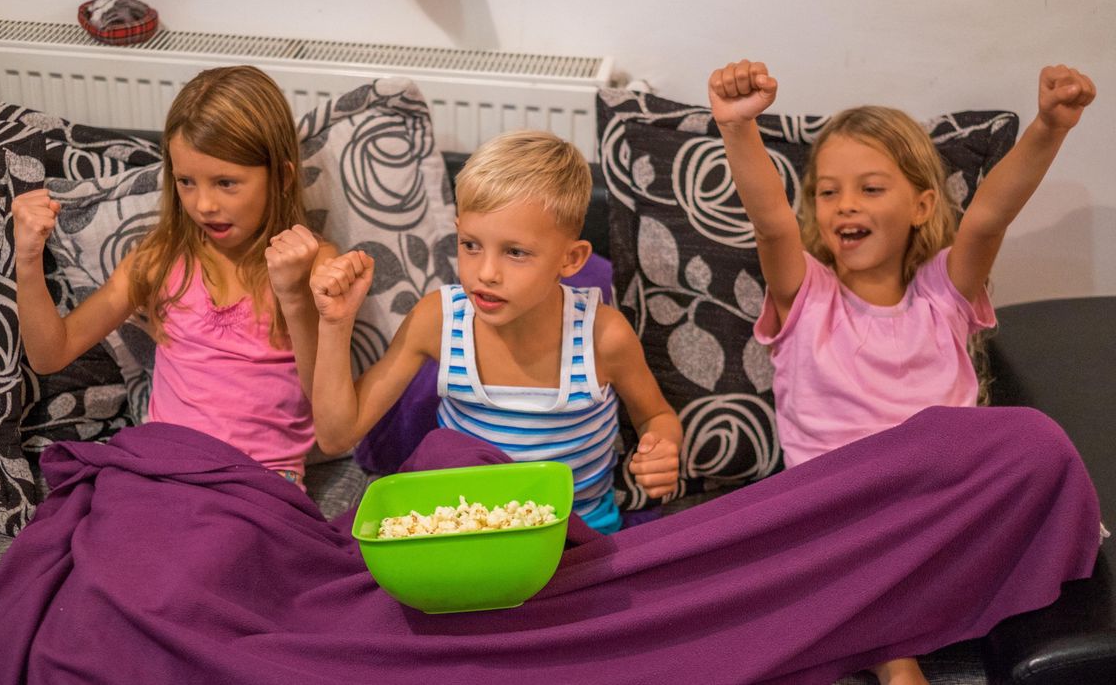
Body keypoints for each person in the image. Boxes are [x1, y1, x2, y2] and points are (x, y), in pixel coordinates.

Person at [707, 59, 1096, 685]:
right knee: (821, 545)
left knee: (1030, 445)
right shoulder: (809, 299)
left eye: (869, 188)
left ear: (920, 205)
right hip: (839, 512)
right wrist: (737, 129)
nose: (844, 205)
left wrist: (1049, 126)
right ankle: (894, 656)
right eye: (827, 191)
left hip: (935, 508)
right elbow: (770, 221)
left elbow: (990, 217)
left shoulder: (943, 298)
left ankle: (892, 625)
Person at [305, 130, 684, 533]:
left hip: (573, 538)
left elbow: (657, 416)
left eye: (515, 252)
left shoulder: (602, 336)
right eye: (470, 245)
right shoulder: (439, 319)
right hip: (461, 533)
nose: (485, 273)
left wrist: (661, 448)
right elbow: (336, 436)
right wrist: (335, 323)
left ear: (570, 259)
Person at [13, 65, 336, 484]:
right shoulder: (161, 257)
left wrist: (294, 294)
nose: (204, 205)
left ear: (282, 177)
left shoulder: (315, 264)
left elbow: (328, 408)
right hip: (163, 467)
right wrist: (27, 257)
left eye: (226, 183)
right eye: (186, 181)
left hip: (258, 481)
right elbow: (50, 354)